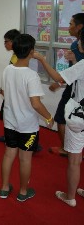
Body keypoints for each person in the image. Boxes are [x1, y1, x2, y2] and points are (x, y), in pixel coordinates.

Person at [0, 34, 54, 202]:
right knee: (25, 158)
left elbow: (2, 91)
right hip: (27, 127)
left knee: (9, 155)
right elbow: (36, 104)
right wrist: (49, 117)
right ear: (31, 51)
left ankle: (4, 188)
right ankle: (23, 191)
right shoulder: (31, 75)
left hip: (10, 122)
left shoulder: (8, 69)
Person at [34, 28, 84, 207]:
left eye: (80, 41)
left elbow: (57, 77)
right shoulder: (81, 64)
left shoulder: (82, 65)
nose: (77, 43)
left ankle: (69, 197)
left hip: (80, 117)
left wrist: (41, 59)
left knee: (75, 159)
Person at [49, 13, 84, 157]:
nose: (68, 27)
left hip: (75, 90)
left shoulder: (77, 45)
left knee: (61, 117)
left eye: (71, 24)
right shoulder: (76, 44)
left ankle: (68, 149)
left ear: (79, 26)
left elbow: (76, 72)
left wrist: (58, 82)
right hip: (75, 86)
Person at [0, 29, 20, 143]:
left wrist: (6, 88)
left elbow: (16, 76)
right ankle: (8, 136)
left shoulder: (19, 56)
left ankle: (17, 137)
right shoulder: (15, 54)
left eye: (6, 41)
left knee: (12, 114)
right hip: (10, 90)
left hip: (14, 92)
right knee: (7, 113)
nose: (5, 44)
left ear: (14, 41)